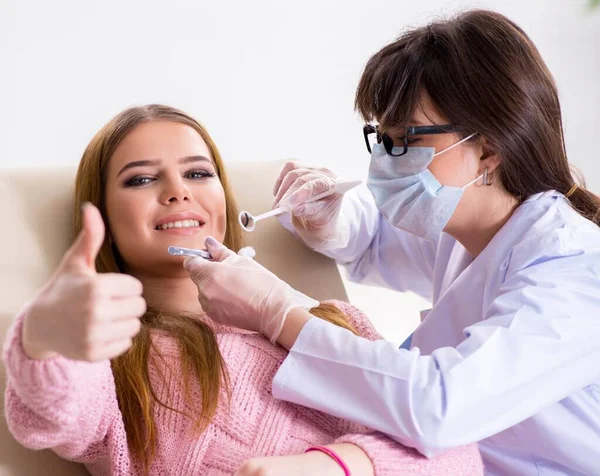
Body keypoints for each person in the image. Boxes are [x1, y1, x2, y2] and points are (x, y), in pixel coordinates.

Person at [182, 9, 600, 476]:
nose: (383, 161)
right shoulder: (472, 227)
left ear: (487, 148)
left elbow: (438, 406)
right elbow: (375, 236)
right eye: (379, 137)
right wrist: (330, 222)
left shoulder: (573, 267)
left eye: (403, 140)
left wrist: (277, 312)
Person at [2, 105, 483, 476]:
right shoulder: (111, 360)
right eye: (142, 179)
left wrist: (335, 465)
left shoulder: (336, 320)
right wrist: (44, 337)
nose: (177, 191)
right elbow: (54, 415)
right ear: (104, 216)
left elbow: (456, 447)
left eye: (197, 173)